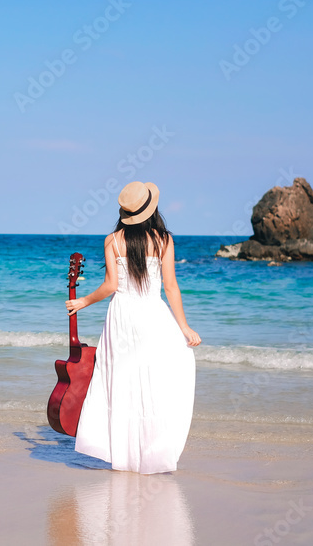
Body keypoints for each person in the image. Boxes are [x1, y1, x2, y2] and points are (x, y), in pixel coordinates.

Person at [66, 181, 201, 474]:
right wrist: (185, 327)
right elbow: (171, 287)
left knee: (120, 383)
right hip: (152, 313)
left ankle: (123, 459)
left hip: (122, 316)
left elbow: (111, 286)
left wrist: (83, 302)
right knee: (155, 383)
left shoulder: (112, 240)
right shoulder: (164, 240)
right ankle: (153, 455)